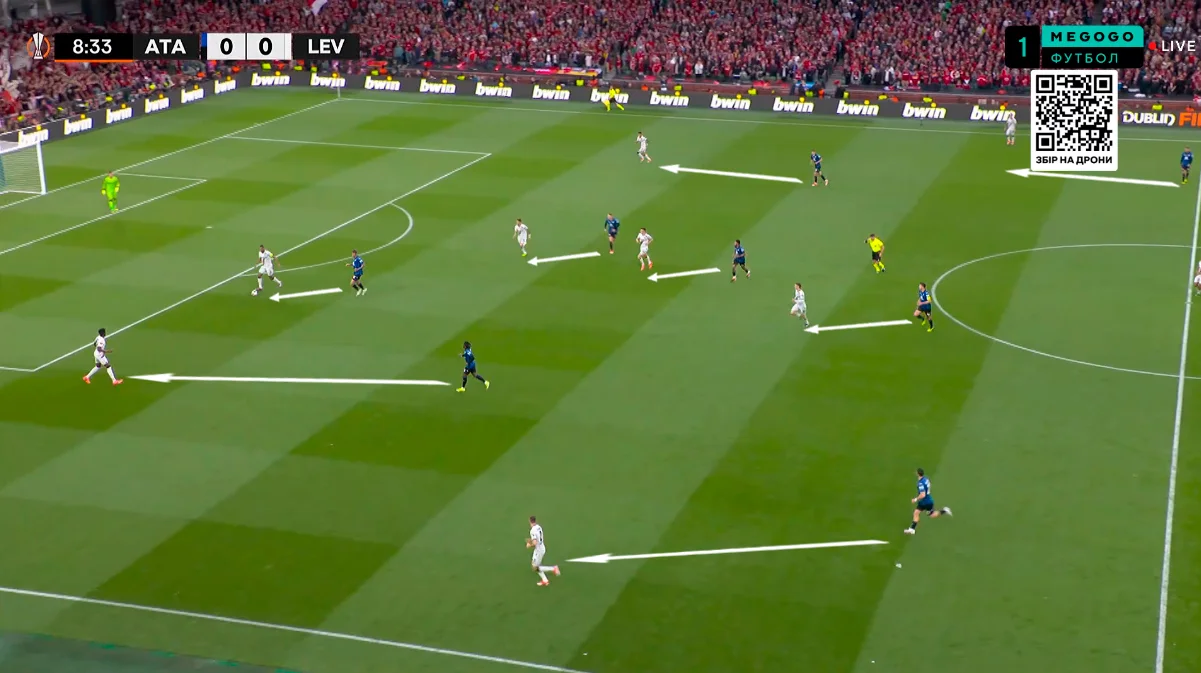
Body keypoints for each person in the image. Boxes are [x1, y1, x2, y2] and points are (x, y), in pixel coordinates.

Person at [904, 468, 951, 535]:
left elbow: (923, 494)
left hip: (926, 502)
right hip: (923, 501)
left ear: (918, 474)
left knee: (932, 515)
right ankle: (912, 529)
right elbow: (929, 484)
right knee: (916, 513)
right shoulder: (926, 479)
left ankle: (945, 510)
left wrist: (915, 499)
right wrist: (928, 491)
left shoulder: (920, 483)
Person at [526, 516, 561, 586]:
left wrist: (529, 545)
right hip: (541, 548)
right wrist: (531, 541)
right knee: (535, 565)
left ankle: (553, 569)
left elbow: (535, 543)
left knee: (535, 568)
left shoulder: (532, 531)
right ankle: (545, 580)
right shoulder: (539, 527)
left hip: (539, 551)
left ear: (529, 521)